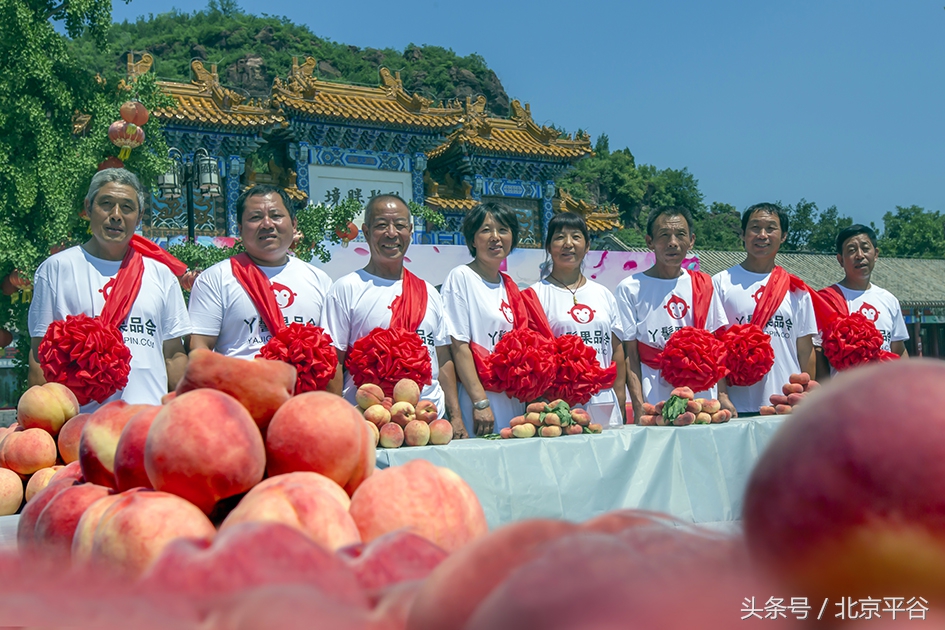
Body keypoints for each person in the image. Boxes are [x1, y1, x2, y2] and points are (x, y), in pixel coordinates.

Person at [28, 168, 190, 410]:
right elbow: (40, 356)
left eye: (127, 207)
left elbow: (173, 355)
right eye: (106, 204)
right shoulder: (56, 269)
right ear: (88, 207)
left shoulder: (162, 275)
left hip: (147, 426)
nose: (116, 215)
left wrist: (185, 413)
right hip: (80, 429)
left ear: (140, 215)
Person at [323, 194, 465, 438]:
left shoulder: (429, 292)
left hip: (429, 422)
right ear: (366, 232)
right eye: (381, 225)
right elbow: (333, 360)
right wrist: (336, 419)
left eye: (399, 225)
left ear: (410, 231)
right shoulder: (346, 289)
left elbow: (442, 357)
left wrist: (456, 417)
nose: (391, 233)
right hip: (370, 424)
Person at [188, 184, 340, 393]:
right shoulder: (215, 279)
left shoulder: (319, 280)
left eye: (276, 215)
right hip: (242, 403)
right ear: (239, 229)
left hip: (306, 402)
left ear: (294, 224)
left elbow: (332, 353)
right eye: (255, 217)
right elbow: (199, 347)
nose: (267, 224)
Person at [615, 207, 728, 422]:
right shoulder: (630, 288)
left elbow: (716, 347)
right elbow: (630, 354)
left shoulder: (705, 284)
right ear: (650, 241)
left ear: (692, 240)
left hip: (701, 391)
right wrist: (639, 405)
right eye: (664, 235)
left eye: (680, 235)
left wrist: (722, 395)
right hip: (655, 392)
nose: (673, 242)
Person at [712, 203, 817, 416]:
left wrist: (802, 396)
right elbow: (714, 346)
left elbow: (805, 349)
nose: (762, 235)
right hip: (736, 405)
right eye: (755, 227)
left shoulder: (796, 289)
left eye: (770, 228)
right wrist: (722, 395)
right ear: (742, 234)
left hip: (785, 404)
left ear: (784, 235)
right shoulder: (720, 283)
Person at [440, 202, 530, 436]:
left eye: (503, 230)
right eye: (485, 230)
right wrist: (481, 402)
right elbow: (458, 345)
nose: (495, 237)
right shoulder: (461, 277)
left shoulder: (509, 284)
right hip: (478, 399)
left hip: (511, 397)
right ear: (472, 239)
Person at [530, 212, 626, 427]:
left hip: (603, 399)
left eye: (576, 236)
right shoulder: (534, 296)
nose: (568, 244)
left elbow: (616, 352)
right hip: (559, 404)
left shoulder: (603, 294)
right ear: (548, 246)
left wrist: (620, 398)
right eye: (559, 237)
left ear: (588, 245)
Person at [814, 224, 908, 378]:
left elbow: (898, 349)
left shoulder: (889, 300)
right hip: (845, 394)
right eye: (851, 250)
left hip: (885, 390)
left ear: (876, 254)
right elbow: (817, 350)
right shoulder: (826, 300)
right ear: (840, 260)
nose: (860, 255)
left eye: (865, 248)